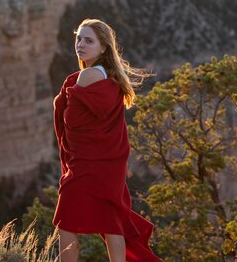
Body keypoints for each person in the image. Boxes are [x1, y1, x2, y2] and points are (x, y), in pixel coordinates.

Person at [52, 19, 162, 262]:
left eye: (88, 40)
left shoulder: (86, 77)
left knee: (66, 223)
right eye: (79, 38)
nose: (80, 44)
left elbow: (71, 121)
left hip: (85, 167)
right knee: (112, 222)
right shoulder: (111, 78)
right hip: (109, 168)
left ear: (104, 48)